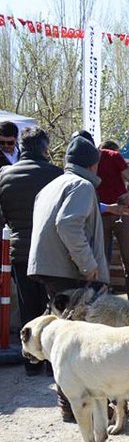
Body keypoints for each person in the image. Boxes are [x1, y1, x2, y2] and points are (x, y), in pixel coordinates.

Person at [29, 132, 110, 422]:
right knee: (78, 343)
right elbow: (68, 225)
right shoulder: (82, 186)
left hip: (51, 269)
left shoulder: (53, 185)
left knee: (64, 341)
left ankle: (71, 404)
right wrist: (88, 264)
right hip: (69, 271)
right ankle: (81, 406)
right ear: (92, 165)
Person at [0, 127, 63, 375]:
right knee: (53, 307)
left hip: (18, 250)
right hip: (50, 251)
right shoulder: (56, 175)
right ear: (44, 149)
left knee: (28, 308)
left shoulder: (4, 176)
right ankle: (51, 363)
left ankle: (31, 363)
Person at [97, 140, 129, 299]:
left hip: (121, 212)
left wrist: (128, 196)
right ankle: (102, 300)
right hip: (100, 215)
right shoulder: (86, 161)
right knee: (101, 261)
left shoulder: (114, 157)